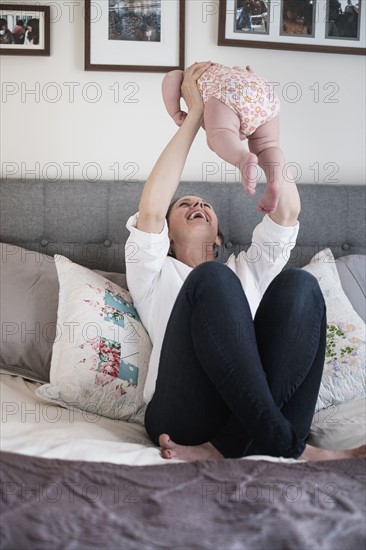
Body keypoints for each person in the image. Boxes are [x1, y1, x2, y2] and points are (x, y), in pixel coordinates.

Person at [125, 62, 365, 463]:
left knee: (301, 286)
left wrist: (260, 137)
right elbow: (151, 206)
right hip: (185, 414)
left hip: (263, 411)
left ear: (219, 236)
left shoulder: (248, 268)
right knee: (212, 279)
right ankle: (293, 448)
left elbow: (287, 213)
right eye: (185, 203)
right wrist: (198, 111)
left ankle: (226, 448)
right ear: (164, 235)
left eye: (205, 204)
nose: (198, 203)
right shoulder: (153, 272)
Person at [162, 61, 284, 215]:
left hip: (228, 90)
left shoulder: (187, 77)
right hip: (263, 90)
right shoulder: (226, 71)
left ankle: (242, 158)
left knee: (219, 135)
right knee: (268, 146)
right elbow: (241, 72)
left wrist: (175, 112)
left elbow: (171, 77)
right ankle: (275, 180)